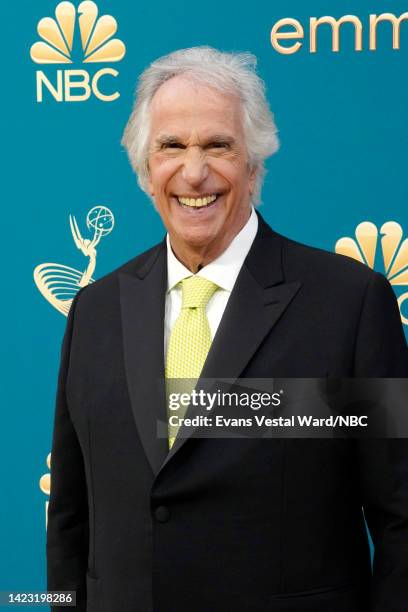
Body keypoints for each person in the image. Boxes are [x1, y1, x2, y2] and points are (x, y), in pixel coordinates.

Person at [46, 47, 408, 612]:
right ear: (145, 169)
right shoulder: (94, 311)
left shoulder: (350, 305)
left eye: (218, 145)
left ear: (254, 162)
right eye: (171, 146)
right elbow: (70, 519)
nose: (194, 172)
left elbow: (400, 520)